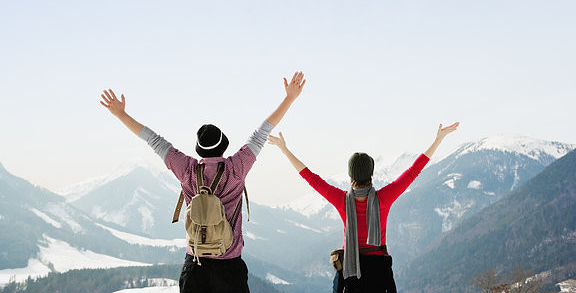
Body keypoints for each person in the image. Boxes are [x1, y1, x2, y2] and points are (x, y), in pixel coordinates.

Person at [99, 71, 306, 293]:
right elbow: (262, 132)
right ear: (223, 145)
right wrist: (289, 98)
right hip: (230, 268)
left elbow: (153, 140)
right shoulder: (236, 168)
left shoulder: (186, 169)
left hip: (195, 267)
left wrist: (121, 114)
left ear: (199, 148)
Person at [268, 122, 459, 293]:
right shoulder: (384, 197)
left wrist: (284, 149)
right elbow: (414, 171)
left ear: (350, 175)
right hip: (380, 270)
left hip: (350, 271)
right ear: (371, 173)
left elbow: (310, 177)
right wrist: (438, 140)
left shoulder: (342, 200)